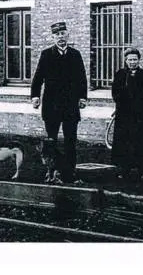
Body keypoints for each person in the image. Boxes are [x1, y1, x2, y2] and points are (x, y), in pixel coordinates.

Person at [30, 21, 88, 183]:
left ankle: (70, 172)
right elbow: (38, 78)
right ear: (53, 37)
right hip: (51, 105)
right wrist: (35, 96)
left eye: (63, 34)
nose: (60, 37)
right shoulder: (46, 55)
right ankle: (52, 172)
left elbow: (82, 78)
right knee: (51, 141)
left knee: (71, 140)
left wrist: (83, 97)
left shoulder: (75, 55)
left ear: (67, 35)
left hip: (70, 105)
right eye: (57, 35)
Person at [109, 47, 143, 178]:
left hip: (141, 114)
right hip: (125, 114)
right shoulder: (120, 74)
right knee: (125, 141)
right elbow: (115, 92)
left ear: (139, 60)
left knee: (142, 141)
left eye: (135, 59)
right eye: (130, 60)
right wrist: (123, 101)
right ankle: (125, 170)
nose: (132, 62)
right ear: (125, 60)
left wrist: (140, 103)